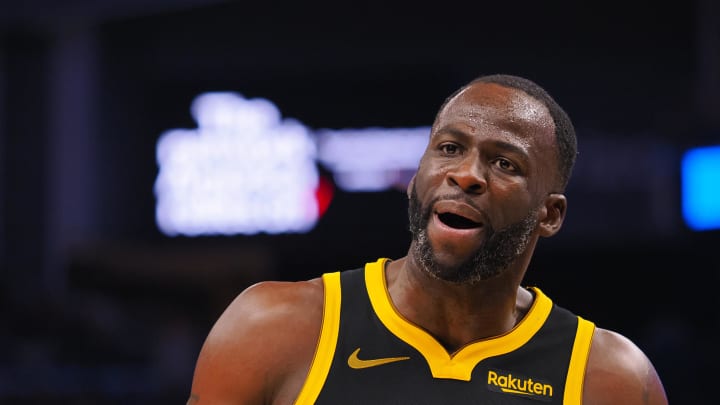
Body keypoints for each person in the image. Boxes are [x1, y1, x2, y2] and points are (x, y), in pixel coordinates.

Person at [186, 74, 669, 404]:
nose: (465, 174)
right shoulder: (272, 328)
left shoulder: (610, 378)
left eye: (505, 163)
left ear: (550, 215)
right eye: (450, 148)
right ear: (417, 175)